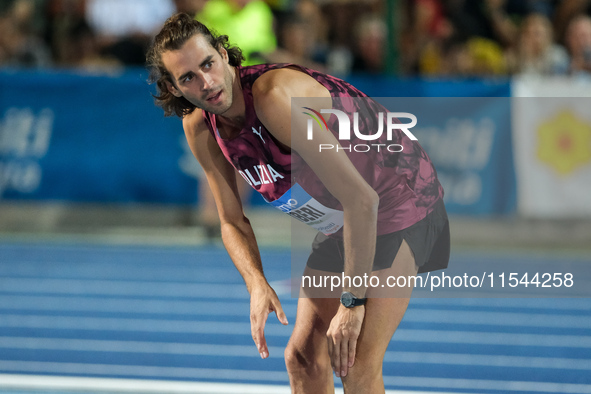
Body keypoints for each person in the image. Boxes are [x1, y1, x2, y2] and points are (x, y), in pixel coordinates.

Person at [147, 13, 450, 393]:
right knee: (303, 358)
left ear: (224, 55)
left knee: (353, 361)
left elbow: (362, 199)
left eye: (207, 64)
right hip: (345, 218)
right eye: (188, 77)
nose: (206, 83)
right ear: (174, 89)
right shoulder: (198, 126)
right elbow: (231, 221)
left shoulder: (274, 100)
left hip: (399, 201)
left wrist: (352, 303)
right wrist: (256, 282)